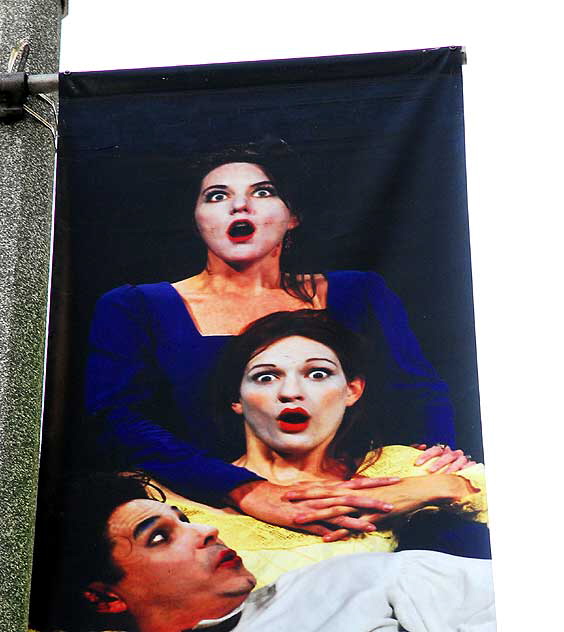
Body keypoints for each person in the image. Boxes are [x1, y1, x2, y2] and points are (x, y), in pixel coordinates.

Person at [86, 140, 460, 538]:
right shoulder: (136, 306)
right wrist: (244, 490)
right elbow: (116, 419)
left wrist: (428, 468)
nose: (239, 207)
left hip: (356, 501)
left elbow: (420, 392)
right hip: (207, 509)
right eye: (216, 196)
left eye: (262, 192)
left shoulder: (359, 293)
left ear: (292, 215)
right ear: (197, 218)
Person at [157, 309, 487, 586]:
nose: (290, 392)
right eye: (266, 377)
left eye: (317, 373)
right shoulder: (178, 499)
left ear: (351, 390)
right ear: (236, 399)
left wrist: (449, 485)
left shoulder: (400, 467)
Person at [42, 473, 495, 632]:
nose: (206, 529)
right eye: (159, 536)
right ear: (103, 597)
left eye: (183, 519)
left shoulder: (353, 582)